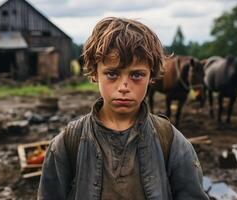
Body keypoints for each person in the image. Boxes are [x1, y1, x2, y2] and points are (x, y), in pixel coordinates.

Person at [38, 17, 209, 200]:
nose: (123, 87)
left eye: (137, 75)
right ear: (95, 73)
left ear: (151, 76)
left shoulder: (171, 142)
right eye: (112, 74)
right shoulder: (67, 144)